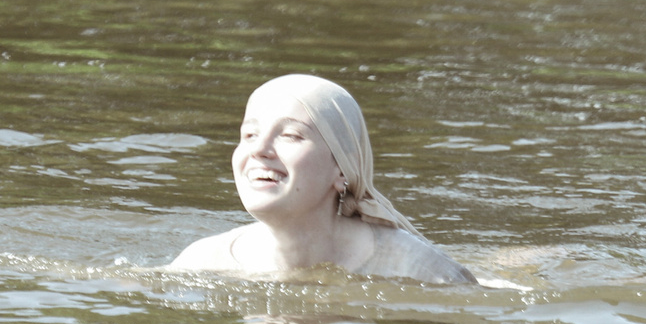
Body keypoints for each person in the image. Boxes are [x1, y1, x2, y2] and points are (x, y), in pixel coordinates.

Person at [169, 74, 476, 284]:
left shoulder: (418, 270)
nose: (259, 149)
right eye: (249, 134)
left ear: (342, 170)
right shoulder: (203, 262)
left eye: (290, 135)